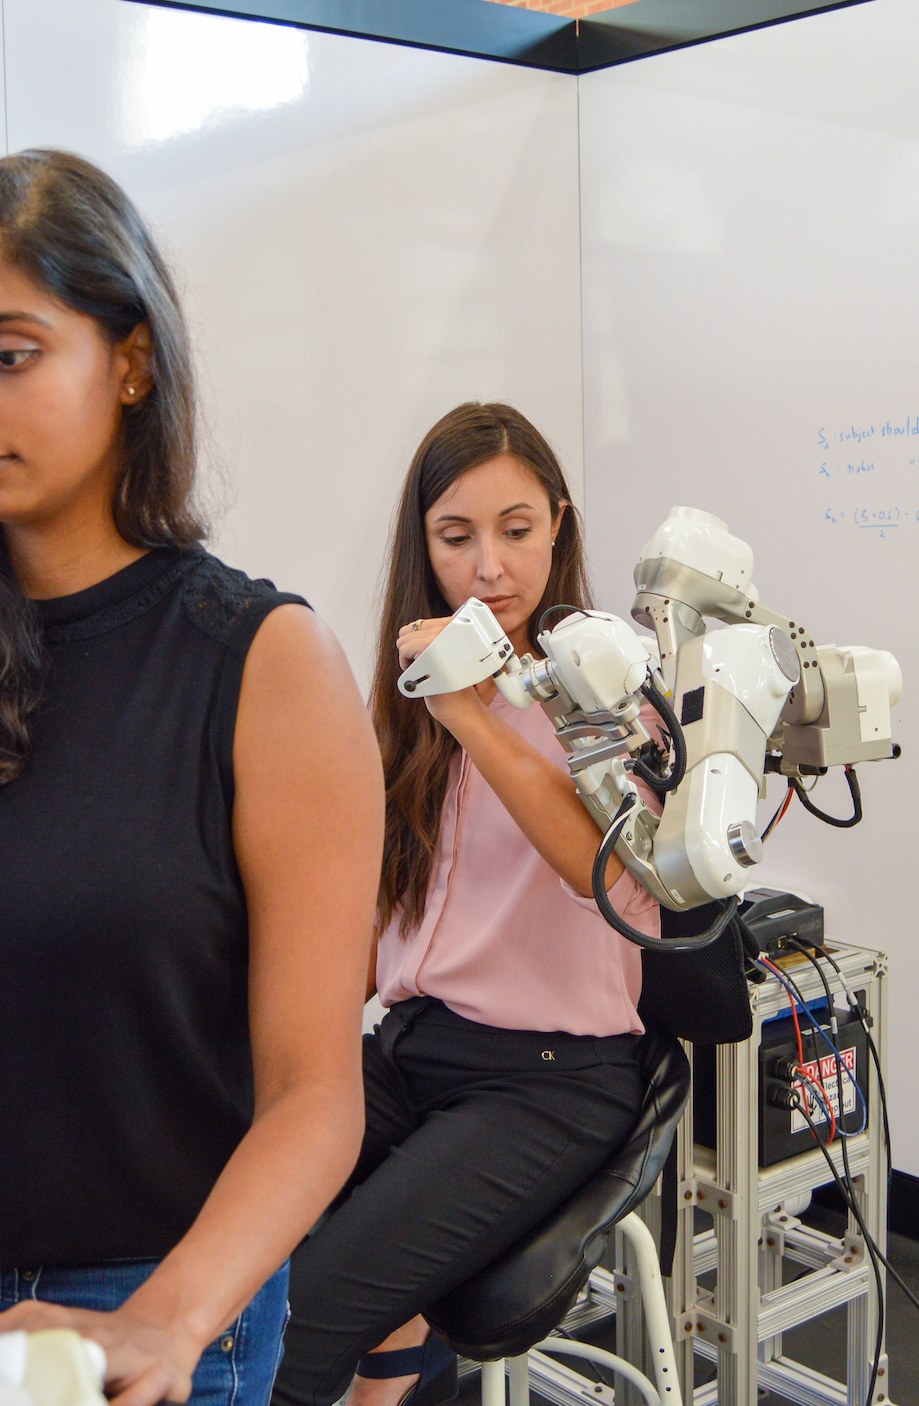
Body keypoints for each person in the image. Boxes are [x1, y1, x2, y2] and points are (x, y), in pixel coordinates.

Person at [0, 150, 382, 1406]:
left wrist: (167, 1321)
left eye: (6, 354)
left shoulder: (265, 666)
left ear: (127, 360)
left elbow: (314, 1094)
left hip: (149, 1311)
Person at [270, 404, 664, 1406]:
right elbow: (374, 909)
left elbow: (601, 871)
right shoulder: (405, 695)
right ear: (424, 546)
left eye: (516, 530)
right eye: (456, 538)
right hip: (412, 1047)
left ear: (559, 526)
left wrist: (471, 706)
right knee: (215, 1213)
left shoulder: (607, 688)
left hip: (549, 1080)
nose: (489, 566)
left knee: (302, 1318)